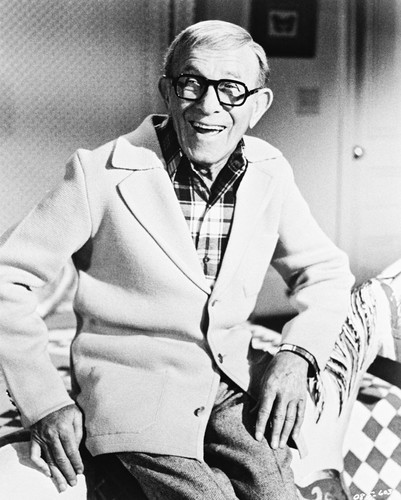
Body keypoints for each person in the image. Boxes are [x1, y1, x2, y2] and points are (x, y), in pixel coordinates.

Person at [0, 20, 355, 499]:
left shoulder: (270, 171)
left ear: (258, 105)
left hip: (231, 386)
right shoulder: (98, 172)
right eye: (192, 83)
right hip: (134, 392)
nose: (208, 106)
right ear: (168, 91)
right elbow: (6, 277)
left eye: (231, 89)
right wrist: (42, 401)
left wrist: (297, 354)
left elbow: (326, 273)